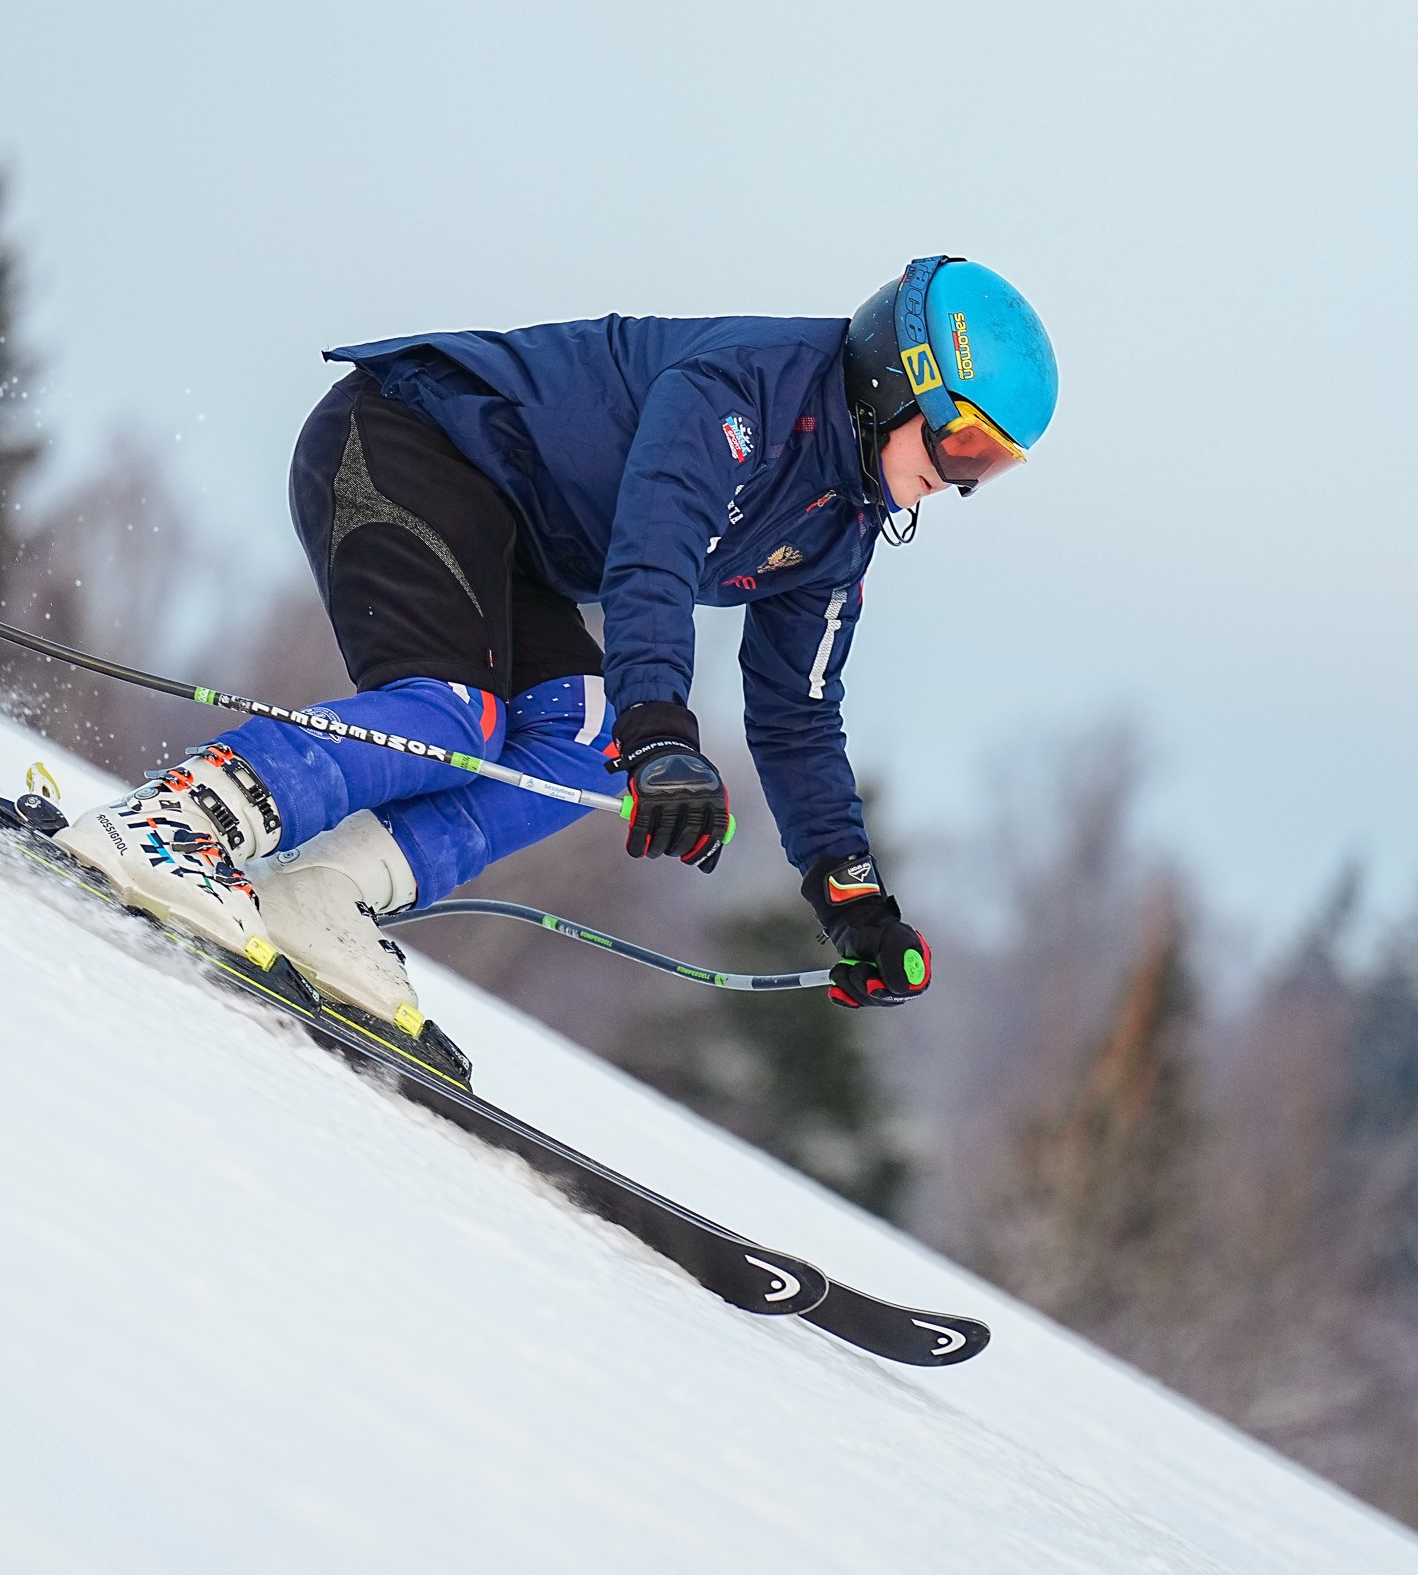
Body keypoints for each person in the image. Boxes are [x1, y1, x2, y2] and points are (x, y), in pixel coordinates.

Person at [52, 256, 1059, 1081]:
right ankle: (173, 822)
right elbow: (655, 550)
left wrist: (853, 901)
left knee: (587, 740)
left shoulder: (842, 529)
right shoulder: (744, 385)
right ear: (896, 380)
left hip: (514, 542)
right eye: (962, 439)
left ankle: (321, 895)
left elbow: (797, 712)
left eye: (994, 464)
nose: (962, 478)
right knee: (457, 716)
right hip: (403, 441)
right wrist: (665, 724)